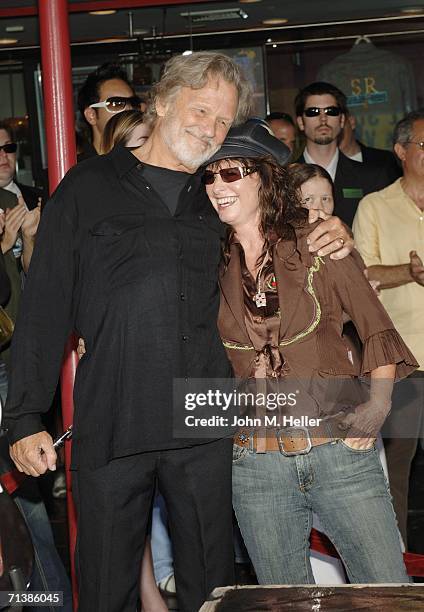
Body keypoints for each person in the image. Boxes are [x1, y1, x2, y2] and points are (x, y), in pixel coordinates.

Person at [4, 52, 353, 612]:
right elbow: (44, 308)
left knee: (209, 581)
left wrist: (328, 228)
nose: (210, 129)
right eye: (200, 109)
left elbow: (282, 241)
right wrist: (23, 417)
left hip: (204, 412)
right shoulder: (88, 186)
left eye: (223, 119)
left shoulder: (221, 192)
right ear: (162, 102)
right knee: (105, 583)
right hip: (114, 410)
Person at [203, 120, 416, 584]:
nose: (218, 185)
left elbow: (375, 326)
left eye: (232, 173)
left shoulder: (318, 242)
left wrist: (377, 407)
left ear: (263, 176)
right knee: (284, 599)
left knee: (384, 591)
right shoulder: (206, 259)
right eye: (210, 176)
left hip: (338, 452)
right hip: (255, 466)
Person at [353, 109, 424, 546]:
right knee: (398, 463)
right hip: (403, 361)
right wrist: (411, 272)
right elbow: (364, 277)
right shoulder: (375, 205)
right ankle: (394, 563)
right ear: (401, 151)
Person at [295, 82, 393, 227]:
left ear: (342, 120)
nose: (323, 118)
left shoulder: (373, 178)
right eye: (313, 112)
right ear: (301, 122)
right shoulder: (283, 180)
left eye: (331, 111)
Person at [77, 62, 141, 159]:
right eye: (116, 104)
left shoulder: (143, 164)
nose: (129, 109)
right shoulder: (76, 171)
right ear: (91, 115)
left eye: (133, 103)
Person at [339, 110, 401, 181]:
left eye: (340, 124)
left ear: (351, 122)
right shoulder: (325, 167)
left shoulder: (385, 161)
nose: (337, 133)